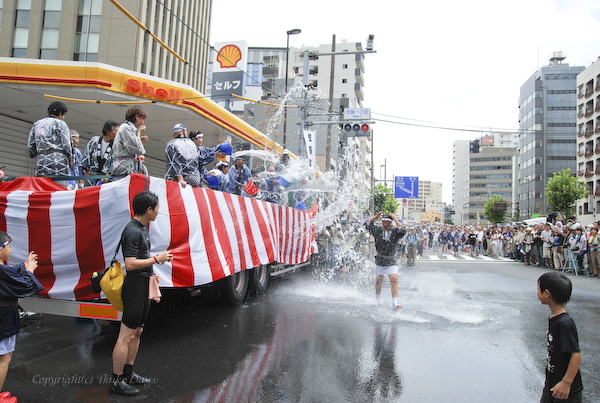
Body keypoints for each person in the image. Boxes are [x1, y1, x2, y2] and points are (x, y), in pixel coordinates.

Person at [110, 191, 173, 396]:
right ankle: (116, 380)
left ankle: (128, 373)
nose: (158, 211)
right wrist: (157, 259)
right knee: (126, 336)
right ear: (148, 210)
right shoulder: (133, 231)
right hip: (135, 286)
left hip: (144, 284)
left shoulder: (141, 228)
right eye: (157, 208)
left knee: (138, 332)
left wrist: (154, 270)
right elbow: (130, 264)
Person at [0, 232, 44, 400]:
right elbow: (24, 285)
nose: (10, 251)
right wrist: (30, 271)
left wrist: (25, 266)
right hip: (4, 317)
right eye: (9, 247)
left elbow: (10, 273)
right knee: (4, 357)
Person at [537, 272, 583, 403]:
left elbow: (576, 355)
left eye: (538, 289)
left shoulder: (563, 323)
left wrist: (566, 383)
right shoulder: (555, 318)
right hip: (553, 382)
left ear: (546, 293)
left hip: (565, 390)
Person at [365, 212, 406, 309]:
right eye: (383, 222)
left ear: (390, 223)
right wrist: (375, 217)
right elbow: (367, 224)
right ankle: (377, 299)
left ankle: (395, 302)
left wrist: (395, 218)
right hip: (380, 258)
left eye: (387, 222)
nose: (384, 224)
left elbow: (403, 230)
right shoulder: (378, 230)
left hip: (392, 259)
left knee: (394, 279)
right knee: (379, 279)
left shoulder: (395, 230)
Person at [27, 101, 73, 187]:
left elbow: (31, 147)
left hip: (42, 162)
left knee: (42, 190)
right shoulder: (61, 123)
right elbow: (67, 145)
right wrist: (70, 158)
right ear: (60, 113)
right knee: (60, 191)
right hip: (59, 163)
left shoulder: (37, 124)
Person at [112, 106, 149, 176]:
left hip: (125, 166)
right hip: (125, 167)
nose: (142, 122)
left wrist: (138, 139)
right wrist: (139, 133)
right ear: (137, 117)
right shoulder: (126, 128)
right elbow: (138, 149)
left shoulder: (127, 128)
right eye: (142, 119)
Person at [81, 120, 119, 187]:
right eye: (115, 131)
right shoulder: (94, 141)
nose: (117, 133)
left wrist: (108, 174)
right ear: (107, 131)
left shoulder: (116, 145)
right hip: (91, 176)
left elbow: (115, 161)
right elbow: (87, 156)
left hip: (106, 178)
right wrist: (85, 173)